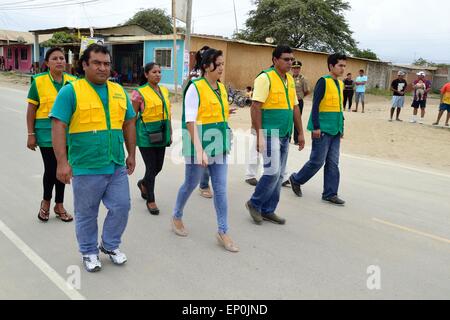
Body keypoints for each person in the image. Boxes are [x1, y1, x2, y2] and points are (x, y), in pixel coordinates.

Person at [50, 44, 137, 273]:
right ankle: (89, 250)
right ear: (85, 65)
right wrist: (62, 162)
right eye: (97, 63)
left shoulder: (119, 91)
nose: (103, 68)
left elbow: (128, 123)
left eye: (106, 64)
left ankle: (109, 245)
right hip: (86, 165)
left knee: (122, 206)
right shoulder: (71, 91)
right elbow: (58, 124)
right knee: (86, 213)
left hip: (115, 162)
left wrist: (132, 154)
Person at [173, 48, 239, 252]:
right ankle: (176, 216)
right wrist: (200, 150)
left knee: (220, 188)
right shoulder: (195, 87)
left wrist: (226, 111)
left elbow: (214, 112)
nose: (221, 68)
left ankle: (223, 230)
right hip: (198, 145)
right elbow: (191, 120)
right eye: (217, 64)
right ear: (205, 66)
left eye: (222, 64)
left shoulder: (220, 87)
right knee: (190, 184)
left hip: (218, 144)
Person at [245, 45, 305, 226]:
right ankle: (254, 203)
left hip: (285, 133)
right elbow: (255, 107)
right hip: (270, 133)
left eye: (291, 59)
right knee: (272, 172)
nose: (290, 63)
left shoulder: (289, 79)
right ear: (275, 60)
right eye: (286, 59)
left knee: (279, 175)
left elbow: (295, 107)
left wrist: (300, 133)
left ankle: (268, 210)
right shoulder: (265, 78)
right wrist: (260, 135)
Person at [26, 47, 77, 223]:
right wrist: (31, 134)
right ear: (47, 63)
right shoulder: (38, 82)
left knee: (64, 169)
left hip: (68, 134)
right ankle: (46, 202)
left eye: (62, 58)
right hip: (46, 134)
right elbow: (31, 110)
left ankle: (59, 204)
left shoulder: (73, 82)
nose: (59, 61)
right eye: (54, 58)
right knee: (51, 169)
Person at [289, 53, 347, 206]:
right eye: (340, 65)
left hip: (335, 129)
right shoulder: (323, 81)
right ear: (331, 66)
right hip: (321, 129)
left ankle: (330, 193)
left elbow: (339, 108)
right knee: (317, 161)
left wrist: (342, 127)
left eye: (344, 66)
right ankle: (296, 179)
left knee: (333, 162)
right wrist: (316, 127)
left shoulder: (340, 84)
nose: (343, 68)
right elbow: (315, 105)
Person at [132, 62, 172, 215]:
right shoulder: (138, 92)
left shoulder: (164, 91)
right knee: (151, 167)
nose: (158, 74)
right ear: (146, 74)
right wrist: (131, 137)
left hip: (161, 133)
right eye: (154, 72)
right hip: (145, 135)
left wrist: (171, 131)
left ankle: (143, 183)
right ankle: (151, 199)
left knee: (158, 166)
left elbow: (168, 112)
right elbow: (132, 116)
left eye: (159, 71)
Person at [190, 46, 214, 199]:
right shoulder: (194, 76)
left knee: (213, 153)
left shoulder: (213, 75)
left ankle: (205, 180)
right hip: (200, 121)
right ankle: (203, 184)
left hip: (214, 120)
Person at [291, 60, 310, 145]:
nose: (296, 70)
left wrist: (300, 97)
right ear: (292, 69)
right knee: (288, 119)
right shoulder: (288, 77)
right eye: (294, 68)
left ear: (300, 69)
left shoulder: (303, 79)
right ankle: (287, 138)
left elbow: (307, 91)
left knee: (297, 120)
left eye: (298, 68)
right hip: (289, 102)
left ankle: (296, 139)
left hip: (298, 102)